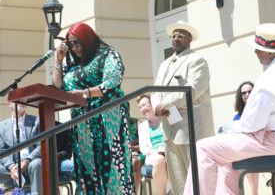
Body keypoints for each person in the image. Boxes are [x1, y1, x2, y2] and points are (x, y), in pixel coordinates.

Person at [184, 23, 275, 195]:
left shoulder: (272, 77)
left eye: (258, 49)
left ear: (269, 52)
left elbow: (251, 125)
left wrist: (231, 130)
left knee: (202, 148)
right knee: (227, 160)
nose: (255, 52)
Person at [52, 23, 135, 194]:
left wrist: (84, 93)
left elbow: (112, 82)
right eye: (71, 44)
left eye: (77, 42)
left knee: (112, 173)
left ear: (88, 38)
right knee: (88, 176)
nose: (75, 48)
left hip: (108, 122)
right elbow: (59, 86)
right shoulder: (74, 64)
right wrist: (58, 60)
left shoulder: (107, 54)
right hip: (82, 128)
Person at [151, 20, 214, 195]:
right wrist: (157, 106)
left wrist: (167, 104)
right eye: (173, 36)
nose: (175, 38)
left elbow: (193, 89)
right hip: (169, 131)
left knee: (197, 180)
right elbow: (155, 90)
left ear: (189, 39)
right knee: (179, 183)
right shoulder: (164, 64)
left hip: (191, 130)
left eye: (180, 36)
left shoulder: (197, 60)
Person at [0, 102, 42, 194]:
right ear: (10, 104)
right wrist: (11, 166)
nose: (21, 102)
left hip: (31, 161)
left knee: (36, 164)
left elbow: (40, 146)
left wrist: (27, 160)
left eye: (23, 100)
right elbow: (1, 150)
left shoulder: (36, 121)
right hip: (11, 165)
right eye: (17, 100)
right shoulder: (1, 126)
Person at [137, 94, 169, 195]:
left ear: (152, 104)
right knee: (159, 159)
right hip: (153, 155)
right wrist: (155, 151)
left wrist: (165, 148)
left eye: (145, 105)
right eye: (140, 107)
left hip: (169, 152)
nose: (142, 109)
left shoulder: (166, 119)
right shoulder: (142, 126)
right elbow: (143, 148)